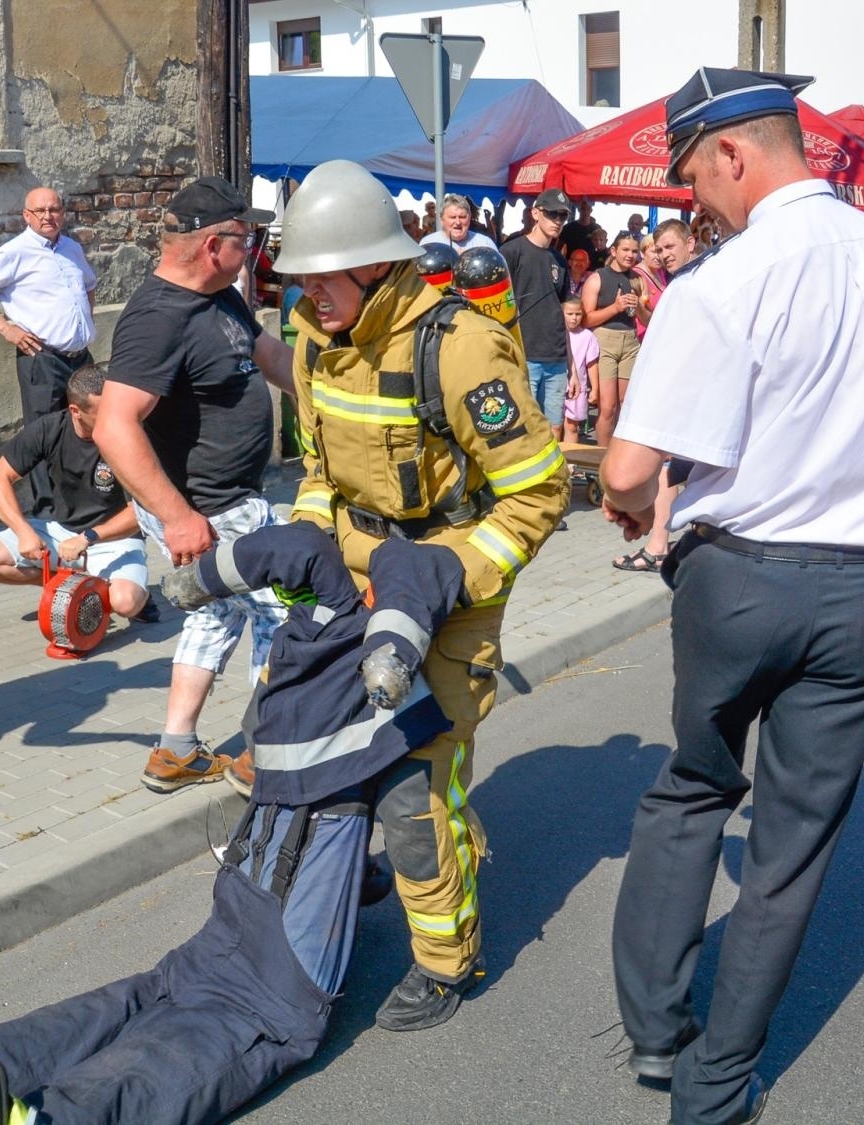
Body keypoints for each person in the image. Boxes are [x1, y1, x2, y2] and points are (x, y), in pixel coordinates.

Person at [0, 523, 464, 1125]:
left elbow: (302, 550)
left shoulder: (309, 652)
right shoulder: (378, 680)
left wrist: (196, 582)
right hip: (262, 957)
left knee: (157, 1016)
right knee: (170, 1024)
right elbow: (416, 830)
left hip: (251, 942)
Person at [600, 68, 864, 1125]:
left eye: (694, 176)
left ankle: (658, 1033)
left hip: (743, 574)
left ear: (733, 154)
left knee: (694, 789)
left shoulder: (726, 280)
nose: (693, 199)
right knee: (792, 851)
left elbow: (629, 469)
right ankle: (714, 1089)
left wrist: (627, 506)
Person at [277, 159, 568, 1032]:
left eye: (324, 273)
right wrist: (305, 546)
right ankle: (391, 866)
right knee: (328, 752)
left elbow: (537, 491)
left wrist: (448, 579)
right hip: (355, 576)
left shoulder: (461, 346)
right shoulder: (312, 337)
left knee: (414, 782)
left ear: (377, 262)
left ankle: (448, 959)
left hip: (449, 581)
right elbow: (320, 471)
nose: (309, 291)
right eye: (300, 275)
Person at [93, 176, 294, 797]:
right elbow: (113, 425)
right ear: (214, 245)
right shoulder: (158, 318)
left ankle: (175, 750)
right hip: (212, 508)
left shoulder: (219, 296)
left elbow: (271, 357)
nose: (254, 249)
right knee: (291, 617)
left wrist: (341, 399)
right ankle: (270, 753)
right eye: (248, 238)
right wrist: (178, 517)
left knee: (215, 614)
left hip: (225, 503)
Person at [0, 364, 154, 621]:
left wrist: (89, 537)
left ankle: (125, 593)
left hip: (114, 539)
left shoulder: (129, 434)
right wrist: (24, 532)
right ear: (75, 411)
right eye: (102, 413)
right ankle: (71, 589)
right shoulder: (48, 429)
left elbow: (144, 508)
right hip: (59, 532)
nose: (113, 418)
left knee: (125, 603)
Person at [0, 188, 97, 515]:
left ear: (63, 213)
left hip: (80, 358)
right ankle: (47, 512)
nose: (48, 216)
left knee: (87, 428)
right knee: (44, 433)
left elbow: (89, 285)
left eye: (54, 209)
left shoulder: (71, 248)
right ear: (26, 215)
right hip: (43, 359)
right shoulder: (15, 252)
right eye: (40, 211)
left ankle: (85, 503)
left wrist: (84, 321)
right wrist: (6, 328)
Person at [613, 218, 697, 574]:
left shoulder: (697, 281)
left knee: (669, 467)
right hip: (680, 383)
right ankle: (661, 543)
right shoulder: (679, 280)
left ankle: (660, 545)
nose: (664, 255)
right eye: (659, 250)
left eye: (670, 247)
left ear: (690, 243)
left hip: (690, 387)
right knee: (670, 467)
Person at [501, 188, 576, 441]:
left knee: (554, 428)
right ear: (535, 213)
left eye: (563, 216)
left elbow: (563, 312)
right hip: (525, 354)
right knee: (526, 427)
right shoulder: (511, 251)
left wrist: (573, 366)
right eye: (552, 213)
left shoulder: (559, 260)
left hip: (556, 356)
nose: (557, 220)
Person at [579, 230, 643, 446]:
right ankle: (602, 457)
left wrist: (639, 307)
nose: (630, 255)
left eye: (634, 251)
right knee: (607, 407)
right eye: (625, 250)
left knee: (625, 405)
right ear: (614, 251)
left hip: (630, 342)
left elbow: (646, 317)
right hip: (604, 341)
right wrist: (615, 308)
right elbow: (586, 319)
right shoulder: (597, 278)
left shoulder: (637, 279)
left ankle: (618, 454)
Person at [561, 296, 599, 445]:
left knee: (572, 426)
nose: (574, 318)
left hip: (578, 389)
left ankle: (571, 456)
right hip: (558, 384)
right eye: (569, 314)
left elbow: (592, 364)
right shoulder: (557, 334)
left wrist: (595, 388)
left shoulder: (587, 336)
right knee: (555, 424)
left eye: (578, 314)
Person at [418, 193, 498, 253]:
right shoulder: (428, 244)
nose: (458, 222)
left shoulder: (485, 243)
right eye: (452, 217)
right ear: (441, 219)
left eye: (462, 217)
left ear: (470, 217)